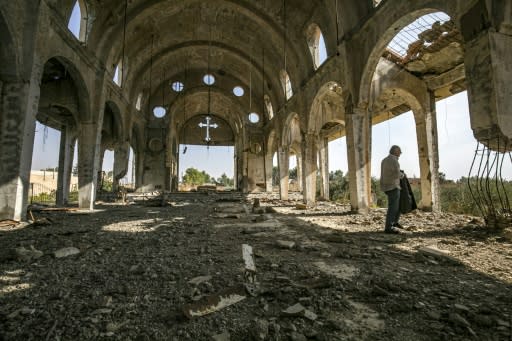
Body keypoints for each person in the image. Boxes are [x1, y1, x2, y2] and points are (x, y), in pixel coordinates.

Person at [380, 145, 404, 234]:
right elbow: (397, 174)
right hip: (393, 186)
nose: (400, 153)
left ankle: (395, 222)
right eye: (399, 151)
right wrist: (402, 175)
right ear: (395, 151)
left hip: (386, 186)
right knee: (393, 208)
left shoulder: (384, 160)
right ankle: (389, 227)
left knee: (397, 206)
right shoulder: (394, 160)